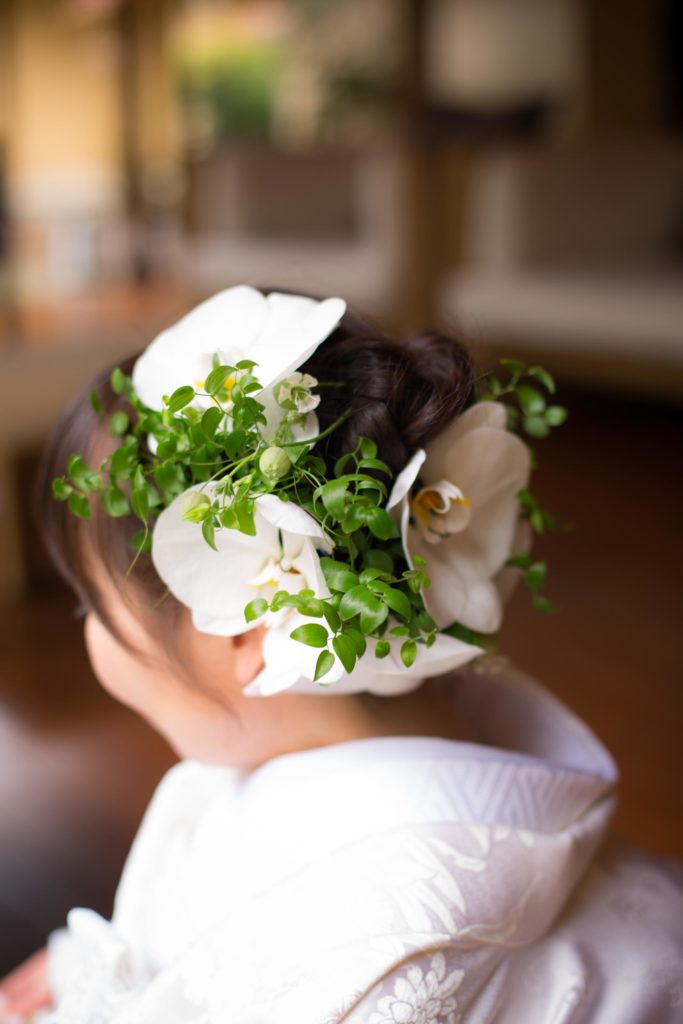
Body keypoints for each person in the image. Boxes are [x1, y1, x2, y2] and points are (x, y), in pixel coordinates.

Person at [1, 285, 681, 1023]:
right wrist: (93, 975)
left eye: (90, 605)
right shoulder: (446, 733)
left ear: (247, 614)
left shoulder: (376, 964)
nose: (89, 631)